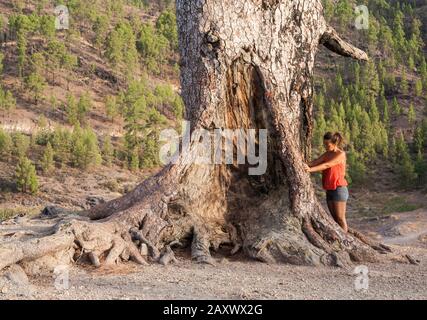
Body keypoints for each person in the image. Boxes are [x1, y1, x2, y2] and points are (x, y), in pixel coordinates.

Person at [305, 132, 349, 233]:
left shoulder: (340, 154)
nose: (325, 147)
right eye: (324, 144)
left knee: (340, 219)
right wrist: (302, 163)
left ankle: (345, 240)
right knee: (335, 220)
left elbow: (327, 165)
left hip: (339, 189)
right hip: (329, 189)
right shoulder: (327, 154)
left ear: (335, 143)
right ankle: (341, 238)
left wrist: (309, 170)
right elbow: (315, 162)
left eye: (327, 145)